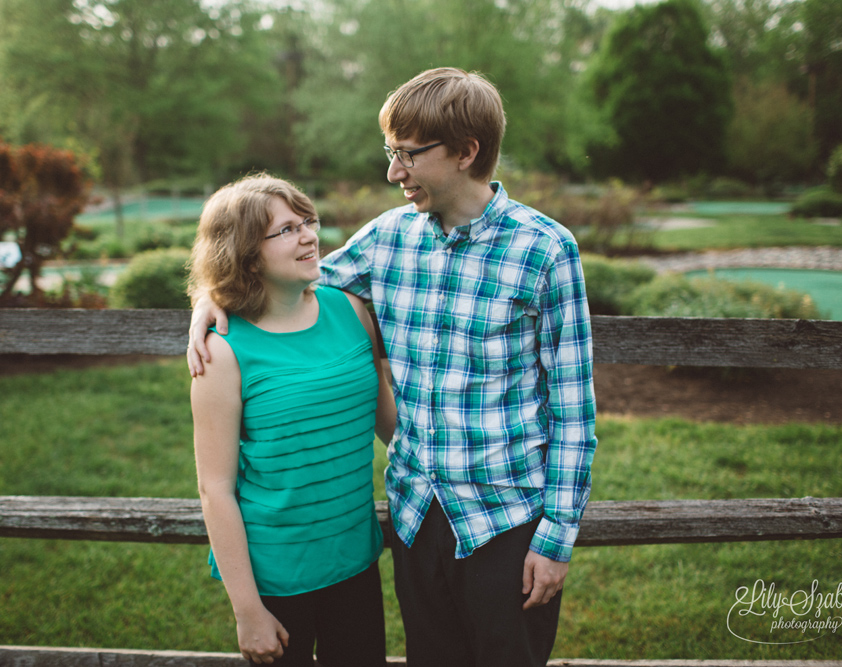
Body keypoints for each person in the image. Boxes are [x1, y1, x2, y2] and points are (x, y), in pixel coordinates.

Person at [189, 68, 597, 667]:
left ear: (465, 152)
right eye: (391, 153)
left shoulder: (546, 250)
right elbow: (278, 273)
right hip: (415, 519)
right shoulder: (388, 238)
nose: (392, 172)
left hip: (505, 522)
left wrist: (556, 539)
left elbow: (572, 410)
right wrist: (209, 297)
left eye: (406, 155)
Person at [189, 173, 395, 667]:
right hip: (276, 577)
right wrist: (247, 611)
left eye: (307, 221)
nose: (307, 235)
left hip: (355, 562)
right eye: (285, 229)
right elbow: (214, 488)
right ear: (246, 253)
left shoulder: (350, 309)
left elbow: (389, 423)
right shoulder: (221, 352)